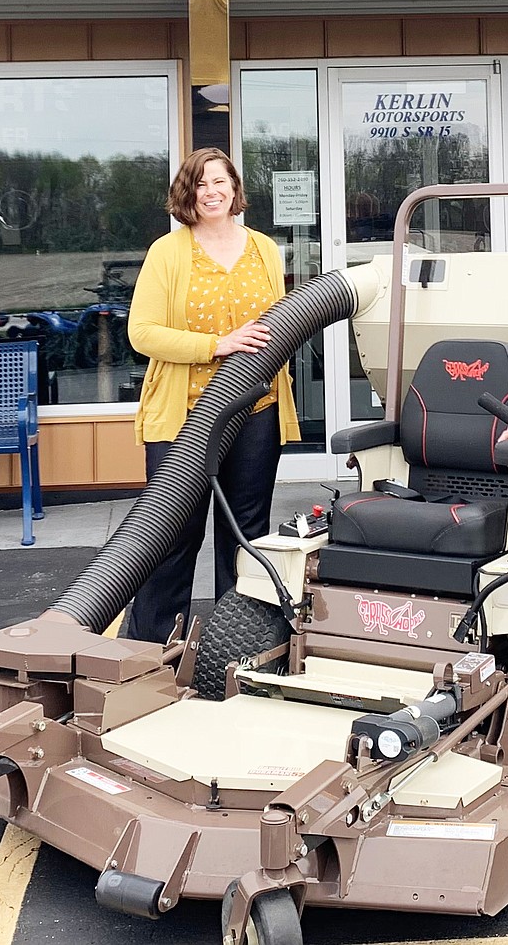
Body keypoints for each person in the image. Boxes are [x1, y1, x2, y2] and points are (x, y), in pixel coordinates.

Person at [125, 147, 299, 644]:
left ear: (234, 188)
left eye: (220, 181)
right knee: (172, 534)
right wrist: (215, 346)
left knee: (244, 533)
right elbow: (143, 333)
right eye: (201, 184)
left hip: (255, 409)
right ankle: (149, 648)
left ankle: (238, 645)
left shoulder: (264, 247)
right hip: (186, 415)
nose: (212, 191)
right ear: (188, 193)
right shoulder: (169, 252)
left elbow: (282, 319)